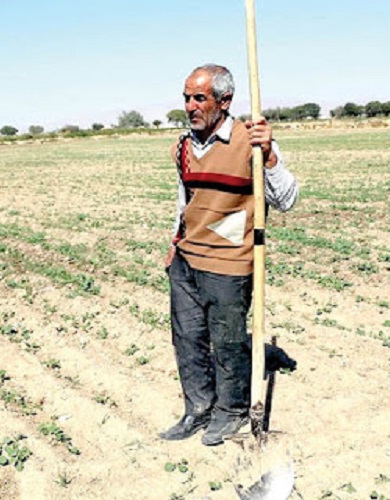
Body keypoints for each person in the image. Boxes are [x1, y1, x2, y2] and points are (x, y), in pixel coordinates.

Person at [160, 64, 298, 446]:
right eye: (186, 97)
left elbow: (287, 199)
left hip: (229, 262)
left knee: (228, 341)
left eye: (199, 98)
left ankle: (231, 411)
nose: (190, 106)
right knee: (187, 338)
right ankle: (197, 409)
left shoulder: (250, 141)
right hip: (186, 260)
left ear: (225, 101)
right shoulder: (182, 147)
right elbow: (184, 201)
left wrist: (268, 155)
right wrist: (174, 244)